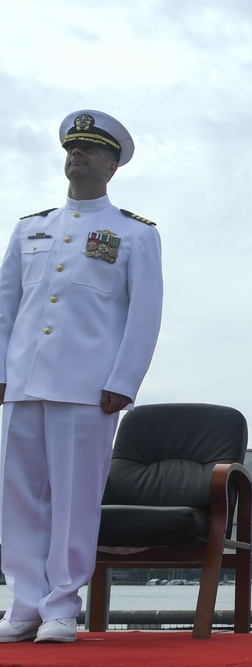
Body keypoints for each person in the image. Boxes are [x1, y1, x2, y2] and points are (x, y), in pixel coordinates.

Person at [0, 110, 163, 644]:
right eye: (73, 148)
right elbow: (7, 306)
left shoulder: (133, 234)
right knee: (17, 495)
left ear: (112, 166)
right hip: (22, 381)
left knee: (75, 497)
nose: (78, 155)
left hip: (89, 386)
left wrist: (125, 379)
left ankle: (62, 606)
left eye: (91, 150)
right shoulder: (31, 228)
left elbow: (144, 314)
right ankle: (24, 602)